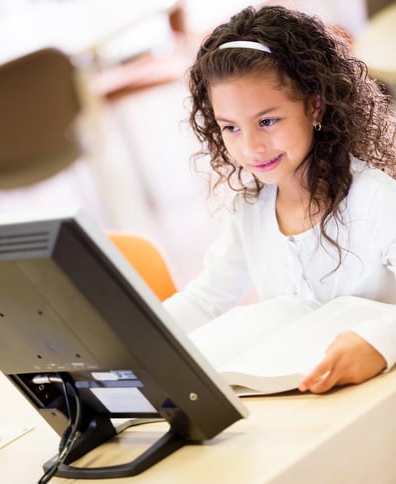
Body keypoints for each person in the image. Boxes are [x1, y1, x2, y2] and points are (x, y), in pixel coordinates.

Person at [163, 5, 396, 394]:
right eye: (231, 128)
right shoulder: (249, 209)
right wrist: (128, 340)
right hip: (306, 400)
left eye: (267, 121)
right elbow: (207, 299)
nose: (252, 146)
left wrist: (381, 340)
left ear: (314, 105)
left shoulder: (376, 200)